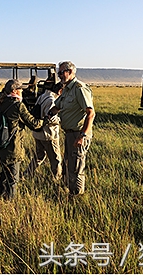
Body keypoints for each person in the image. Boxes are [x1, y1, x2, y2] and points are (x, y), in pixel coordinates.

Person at [0, 79, 43, 199]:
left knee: (4, 175)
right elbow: (33, 124)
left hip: (0, 146)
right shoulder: (18, 106)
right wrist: (45, 121)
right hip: (13, 147)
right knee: (13, 180)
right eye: (20, 89)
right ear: (14, 91)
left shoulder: (0, 105)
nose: (21, 92)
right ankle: (11, 204)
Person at [50, 60, 94, 198]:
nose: (60, 76)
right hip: (69, 134)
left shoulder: (79, 88)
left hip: (78, 134)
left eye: (62, 72)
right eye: (59, 73)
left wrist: (82, 135)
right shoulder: (67, 89)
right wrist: (43, 116)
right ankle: (67, 191)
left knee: (76, 167)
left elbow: (91, 113)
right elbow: (56, 107)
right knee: (68, 164)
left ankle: (76, 197)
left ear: (70, 72)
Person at [25, 80, 63, 181]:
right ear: (60, 91)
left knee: (39, 156)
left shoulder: (42, 97)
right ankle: (57, 179)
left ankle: (27, 174)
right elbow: (50, 118)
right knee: (56, 159)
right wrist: (61, 120)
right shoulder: (52, 100)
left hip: (38, 133)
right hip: (48, 134)